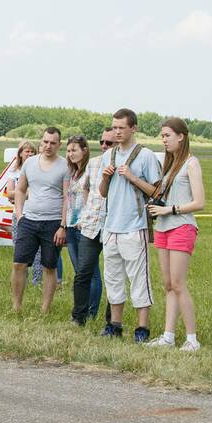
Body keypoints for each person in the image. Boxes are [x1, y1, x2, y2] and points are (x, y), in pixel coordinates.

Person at [98, 108, 161, 342]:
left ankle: (142, 329)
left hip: (134, 226)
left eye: (121, 128)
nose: (117, 132)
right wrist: (105, 177)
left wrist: (133, 177)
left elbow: (157, 191)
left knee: (138, 279)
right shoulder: (108, 156)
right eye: (114, 127)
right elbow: (102, 193)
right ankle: (115, 325)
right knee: (113, 278)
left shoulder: (144, 156)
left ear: (133, 128)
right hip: (111, 226)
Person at [146, 118, 205, 351]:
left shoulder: (191, 163)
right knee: (168, 284)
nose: (164, 140)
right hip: (162, 227)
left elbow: (199, 202)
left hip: (181, 226)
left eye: (167, 135)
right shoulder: (169, 165)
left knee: (179, 284)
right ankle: (168, 336)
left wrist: (169, 209)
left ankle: (192, 339)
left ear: (181, 136)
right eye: (162, 136)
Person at [11, 127, 67, 313]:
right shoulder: (30, 163)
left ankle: (45, 310)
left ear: (59, 144)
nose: (48, 146)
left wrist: (62, 226)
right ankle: (16, 306)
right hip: (29, 220)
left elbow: (67, 198)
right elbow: (20, 190)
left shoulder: (64, 166)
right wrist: (20, 215)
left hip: (53, 222)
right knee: (19, 263)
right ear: (40, 142)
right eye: (45, 142)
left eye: (52, 143)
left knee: (49, 266)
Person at [71, 129, 114, 325]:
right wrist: (88, 209)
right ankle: (78, 317)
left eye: (109, 143)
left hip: (113, 226)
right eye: (102, 142)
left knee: (113, 276)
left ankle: (111, 322)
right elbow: (85, 187)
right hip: (91, 225)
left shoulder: (123, 165)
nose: (104, 146)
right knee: (83, 273)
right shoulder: (94, 163)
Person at [4, 141, 49, 284]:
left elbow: (40, 193)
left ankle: (37, 281)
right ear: (20, 154)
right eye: (26, 151)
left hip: (36, 212)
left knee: (38, 251)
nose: (29, 154)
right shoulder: (14, 171)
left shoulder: (39, 170)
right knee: (19, 246)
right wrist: (23, 193)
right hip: (18, 213)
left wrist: (20, 194)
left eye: (32, 152)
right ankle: (22, 279)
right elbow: (8, 193)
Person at [61, 135, 92, 317]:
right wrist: (63, 224)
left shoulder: (90, 170)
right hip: (71, 225)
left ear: (85, 150)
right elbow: (67, 198)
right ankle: (82, 309)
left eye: (74, 150)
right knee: (79, 271)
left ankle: (91, 310)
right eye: (69, 150)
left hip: (84, 225)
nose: (71, 154)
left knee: (89, 271)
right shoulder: (72, 172)